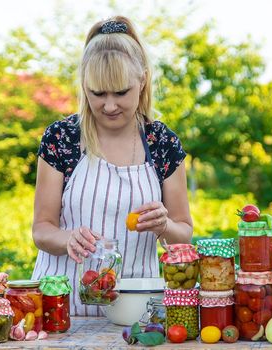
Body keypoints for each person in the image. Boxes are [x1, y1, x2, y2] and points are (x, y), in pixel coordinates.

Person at [31, 15, 193, 316]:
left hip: (137, 314)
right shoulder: (63, 137)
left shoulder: (162, 143)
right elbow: (42, 229)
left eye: (120, 92)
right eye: (97, 93)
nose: (109, 105)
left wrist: (164, 225)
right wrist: (68, 238)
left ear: (142, 81)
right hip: (61, 312)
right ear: (84, 86)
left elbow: (183, 233)